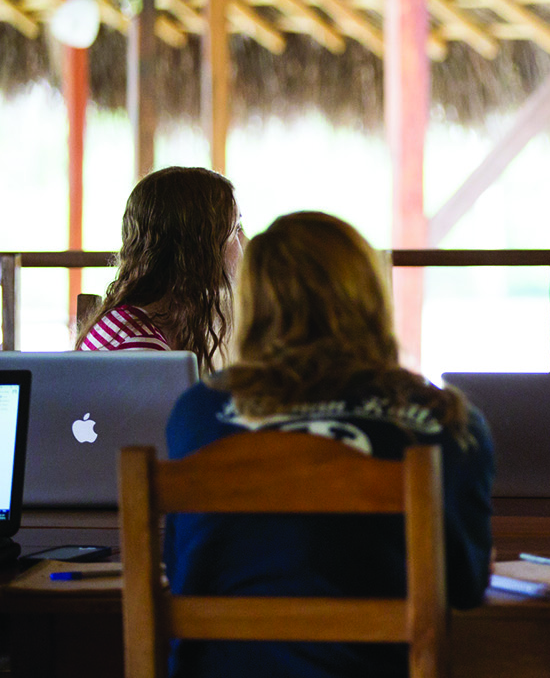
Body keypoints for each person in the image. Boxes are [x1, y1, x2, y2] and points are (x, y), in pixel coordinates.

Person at [163, 212, 494, 678]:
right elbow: (464, 586)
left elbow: (181, 571)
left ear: (251, 303)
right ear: (370, 295)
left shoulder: (197, 411)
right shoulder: (448, 422)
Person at [77, 166, 244, 377]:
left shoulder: (138, 322)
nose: (244, 242)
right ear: (198, 249)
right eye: (236, 229)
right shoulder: (143, 351)